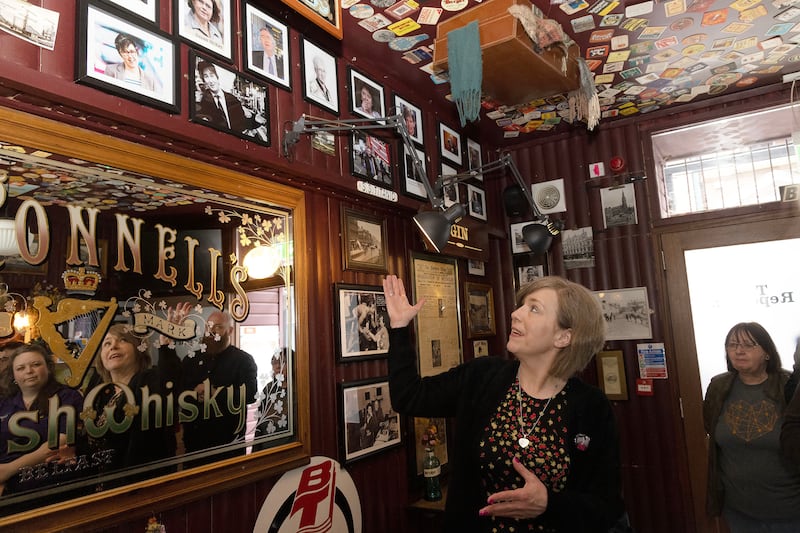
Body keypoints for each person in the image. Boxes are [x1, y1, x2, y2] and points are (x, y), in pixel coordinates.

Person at [382, 274, 624, 532]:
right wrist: (399, 327)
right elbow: (409, 396)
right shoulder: (482, 377)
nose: (515, 314)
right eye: (521, 305)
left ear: (564, 337)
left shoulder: (591, 407)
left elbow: (607, 507)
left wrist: (549, 504)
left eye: (534, 309)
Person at [703, 322, 800, 532]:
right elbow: (710, 427)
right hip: (739, 511)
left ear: (767, 353)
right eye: (733, 344)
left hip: (790, 510)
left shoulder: (790, 385)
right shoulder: (718, 387)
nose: (739, 350)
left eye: (748, 345)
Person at [86, 324, 179, 482]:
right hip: (100, 485)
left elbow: (169, 384)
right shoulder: (100, 390)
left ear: (138, 350)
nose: (113, 346)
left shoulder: (148, 381)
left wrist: (166, 346)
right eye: (107, 343)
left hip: (138, 487)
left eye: (123, 340)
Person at [172, 310, 258, 462]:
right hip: (194, 446)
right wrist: (193, 393)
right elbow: (177, 393)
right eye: (208, 326)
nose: (211, 331)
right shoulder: (190, 360)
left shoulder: (243, 360)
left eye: (217, 327)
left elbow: (251, 395)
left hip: (229, 447)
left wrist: (215, 392)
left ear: (229, 330)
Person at [0, 343, 83, 496]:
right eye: (20, 368)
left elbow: (60, 442)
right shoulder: (5, 403)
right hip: (7, 490)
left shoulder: (67, 397)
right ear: (13, 375)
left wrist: (8, 470)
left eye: (36, 364)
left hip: (50, 487)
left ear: (48, 368)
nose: (29, 371)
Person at [196, 61, 265, 135]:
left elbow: (242, 124)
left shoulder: (232, 99)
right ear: (204, 80)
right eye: (206, 77)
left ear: (217, 77)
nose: (210, 81)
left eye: (212, 75)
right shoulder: (203, 101)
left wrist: (256, 121)